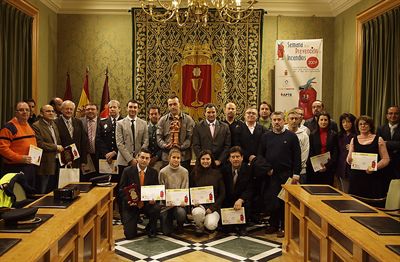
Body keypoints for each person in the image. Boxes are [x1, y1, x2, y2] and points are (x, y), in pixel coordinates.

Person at [257, 111, 301, 238]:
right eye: (274, 120)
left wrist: (296, 174)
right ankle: (273, 225)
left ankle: (284, 227)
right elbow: (260, 156)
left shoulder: (292, 136)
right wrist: (267, 169)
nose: (277, 122)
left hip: (287, 175)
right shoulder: (265, 137)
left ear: (284, 121)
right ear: (271, 121)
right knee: (272, 201)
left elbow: (297, 157)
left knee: (284, 202)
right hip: (271, 175)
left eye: (279, 120)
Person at [119, 149, 161, 239]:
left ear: (150, 160)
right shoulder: (127, 171)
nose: (144, 160)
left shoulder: (153, 173)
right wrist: (129, 200)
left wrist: (155, 199)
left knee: (156, 208)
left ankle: (150, 227)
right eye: (142, 157)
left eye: (147, 158)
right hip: (132, 205)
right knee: (129, 235)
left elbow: (156, 190)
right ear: (137, 158)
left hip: (147, 204)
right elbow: (121, 190)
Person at [347, 115, 390, 199]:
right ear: (357, 126)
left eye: (366, 124)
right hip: (356, 178)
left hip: (373, 178)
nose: (363, 126)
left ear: (370, 126)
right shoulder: (353, 139)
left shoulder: (379, 139)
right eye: (360, 124)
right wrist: (349, 160)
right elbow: (349, 159)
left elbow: (386, 159)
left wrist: (374, 167)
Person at [0, 101, 37, 187]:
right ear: (15, 113)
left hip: (29, 167)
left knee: (29, 196)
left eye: (27, 110)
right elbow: (2, 148)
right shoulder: (9, 127)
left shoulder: (28, 125)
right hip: (15, 168)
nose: (25, 112)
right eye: (21, 110)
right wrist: (19, 158)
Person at [190, 150, 225, 234]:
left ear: (211, 160)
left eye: (207, 159)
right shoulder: (194, 173)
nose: (205, 161)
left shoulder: (217, 173)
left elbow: (222, 194)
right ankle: (199, 226)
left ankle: (205, 221)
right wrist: (194, 202)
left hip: (213, 207)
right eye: (203, 159)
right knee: (197, 213)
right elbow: (190, 190)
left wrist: (212, 208)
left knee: (211, 225)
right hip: (199, 206)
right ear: (199, 160)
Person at [220, 146, 253, 236]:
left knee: (248, 202)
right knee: (226, 229)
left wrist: (241, 199)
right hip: (228, 198)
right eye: (233, 157)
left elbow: (250, 188)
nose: (235, 159)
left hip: (242, 199)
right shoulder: (224, 170)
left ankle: (242, 226)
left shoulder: (248, 170)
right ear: (229, 159)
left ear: (242, 158)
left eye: (237, 157)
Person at [157, 96, 195, 170]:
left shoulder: (188, 120)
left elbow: (190, 138)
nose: (173, 107)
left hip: (184, 157)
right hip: (167, 157)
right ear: (168, 106)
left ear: (179, 104)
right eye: (170, 105)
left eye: (175, 104)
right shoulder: (162, 120)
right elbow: (159, 138)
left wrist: (181, 146)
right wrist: (165, 145)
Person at [32, 105, 63, 193]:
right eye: (48, 111)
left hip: (56, 161)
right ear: (41, 114)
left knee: (53, 189)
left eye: (53, 111)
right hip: (44, 163)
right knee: (43, 190)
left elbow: (57, 140)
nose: (51, 113)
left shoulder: (54, 124)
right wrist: (55, 147)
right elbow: (39, 144)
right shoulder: (36, 126)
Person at [159, 148, 189, 236]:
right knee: (166, 232)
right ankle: (168, 221)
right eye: (174, 157)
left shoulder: (184, 172)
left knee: (181, 213)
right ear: (169, 158)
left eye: (178, 158)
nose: (176, 160)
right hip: (166, 205)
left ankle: (180, 224)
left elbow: (185, 188)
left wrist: (183, 201)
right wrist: (166, 202)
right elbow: (161, 190)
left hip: (179, 204)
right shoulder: (163, 172)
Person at [116, 99, 149, 175]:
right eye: (130, 107)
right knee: (124, 185)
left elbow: (146, 142)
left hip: (139, 161)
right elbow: (119, 144)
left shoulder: (144, 123)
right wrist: (130, 159)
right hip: (124, 161)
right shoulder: (120, 123)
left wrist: (138, 157)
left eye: (135, 107)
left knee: (137, 185)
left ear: (138, 109)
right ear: (126, 108)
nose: (132, 109)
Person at [55, 100, 88, 172]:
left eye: (71, 109)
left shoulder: (78, 122)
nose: (69, 111)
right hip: (62, 160)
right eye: (67, 109)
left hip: (77, 159)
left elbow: (83, 141)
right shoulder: (55, 123)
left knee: (76, 182)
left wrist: (84, 160)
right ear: (61, 109)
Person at [307, 112, 338, 186]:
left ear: (329, 121)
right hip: (315, 168)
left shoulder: (334, 135)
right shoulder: (312, 135)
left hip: (329, 168)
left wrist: (327, 166)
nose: (323, 122)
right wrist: (318, 166)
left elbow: (335, 152)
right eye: (321, 120)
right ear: (318, 121)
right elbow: (311, 151)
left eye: (325, 120)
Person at [377, 106, 400, 184]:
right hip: (385, 164)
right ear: (387, 116)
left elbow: (382, 144)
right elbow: (378, 144)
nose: (393, 116)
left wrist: (386, 143)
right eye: (390, 113)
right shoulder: (380, 128)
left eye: (396, 113)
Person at [286, 109, 309, 184]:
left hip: (300, 171)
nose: (294, 121)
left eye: (296, 119)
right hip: (285, 169)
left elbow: (305, 153)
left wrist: (297, 168)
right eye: (291, 118)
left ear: (299, 120)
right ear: (287, 120)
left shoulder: (304, 134)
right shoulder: (283, 132)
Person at [336, 113, 356, 192]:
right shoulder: (339, 135)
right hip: (340, 167)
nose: (345, 124)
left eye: (348, 122)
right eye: (343, 122)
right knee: (342, 191)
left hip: (353, 167)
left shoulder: (356, 136)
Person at [80, 103, 99, 177]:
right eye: (88, 109)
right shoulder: (79, 122)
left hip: (99, 156)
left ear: (97, 111)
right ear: (85, 111)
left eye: (93, 109)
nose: (90, 111)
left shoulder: (103, 122)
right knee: (86, 180)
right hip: (85, 157)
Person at [147, 105, 163, 172]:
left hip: (160, 160)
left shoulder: (163, 128)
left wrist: (156, 157)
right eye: (151, 114)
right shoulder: (144, 128)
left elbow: (165, 144)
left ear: (159, 115)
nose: (153, 116)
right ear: (149, 115)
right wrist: (148, 157)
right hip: (147, 160)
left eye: (155, 114)